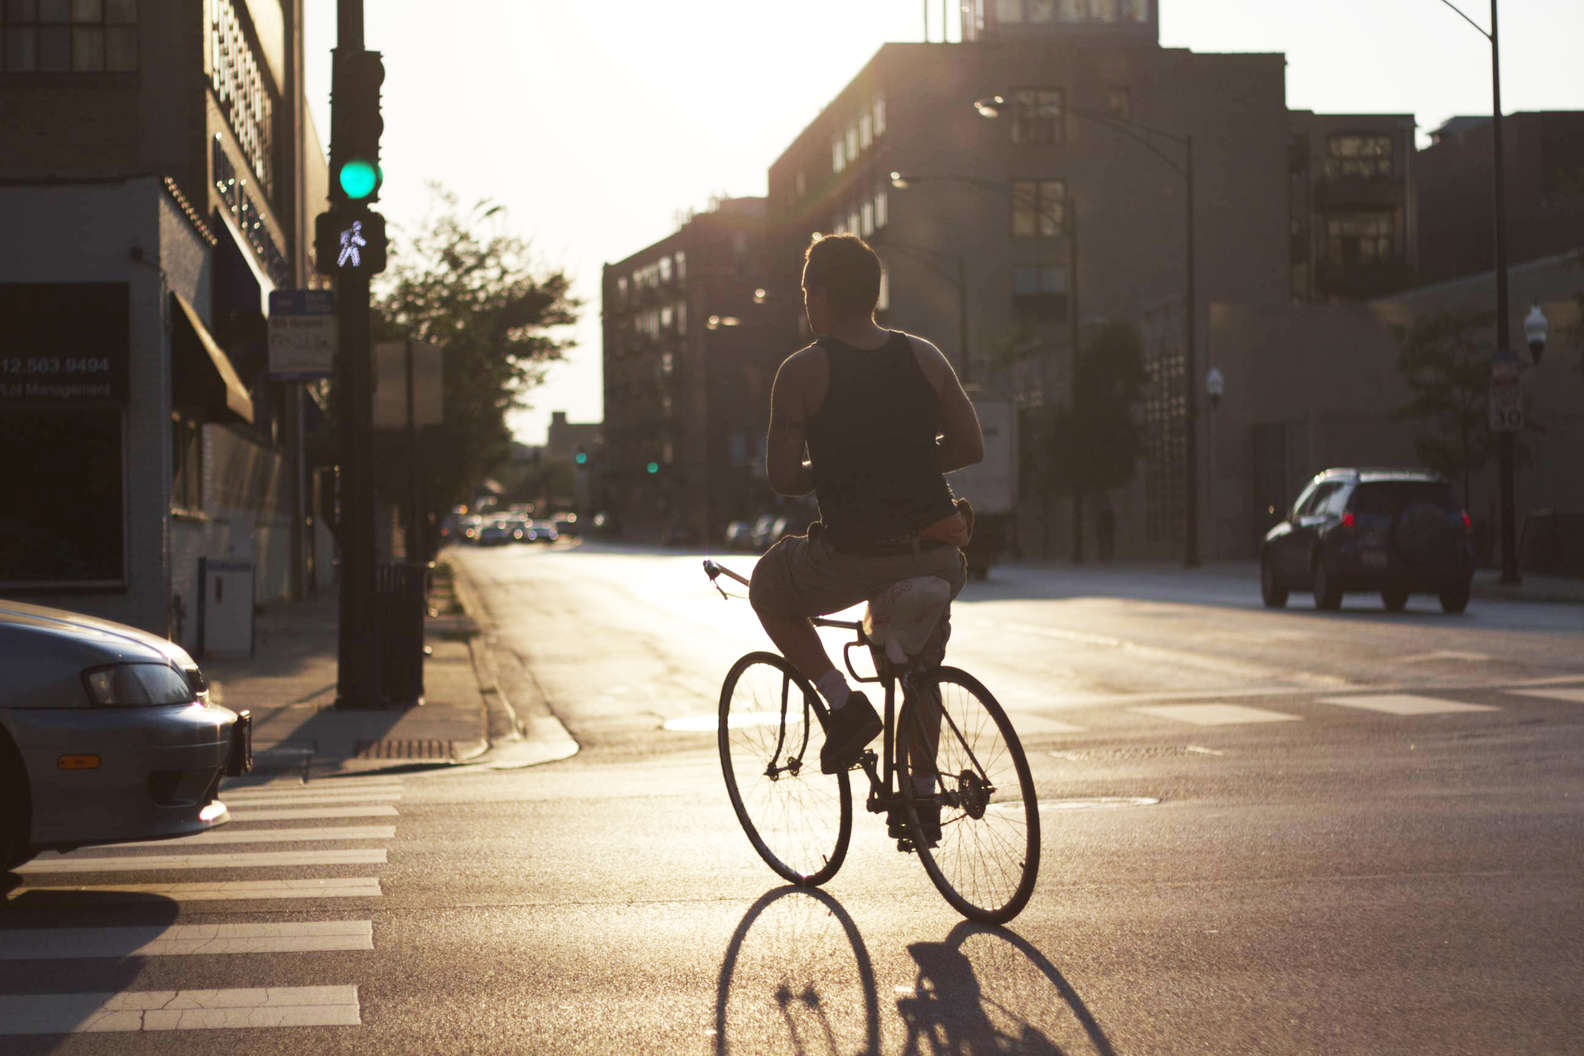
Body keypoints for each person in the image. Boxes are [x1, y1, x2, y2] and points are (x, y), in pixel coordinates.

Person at [748, 234, 984, 777]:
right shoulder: (924, 356)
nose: (805, 304)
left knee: (767, 585)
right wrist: (907, 464)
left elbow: (783, 478)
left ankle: (844, 704)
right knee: (921, 669)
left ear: (822, 295)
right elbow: (970, 446)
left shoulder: (803, 371)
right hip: (935, 551)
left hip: (856, 553)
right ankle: (924, 794)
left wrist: (842, 469)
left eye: (807, 293)